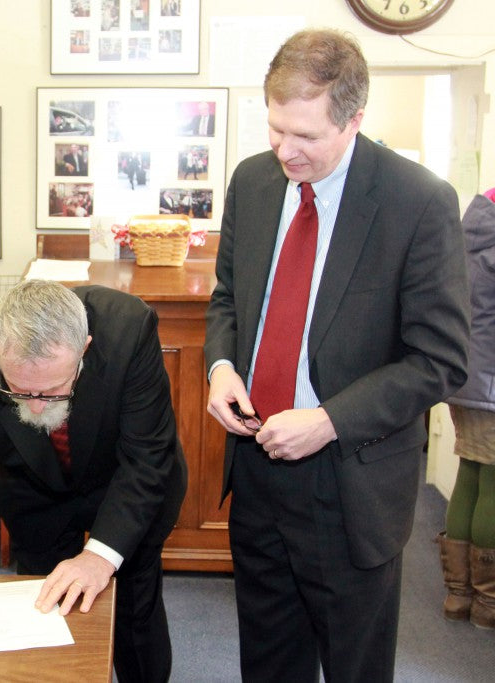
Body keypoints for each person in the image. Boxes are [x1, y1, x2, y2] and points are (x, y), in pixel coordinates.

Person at [204, 29, 469, 680]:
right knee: (268, 660)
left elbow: (439, 359)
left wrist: (327, 419)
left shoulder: (419, 202)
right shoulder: (254, 181)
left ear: (354, 120)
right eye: (275, 129)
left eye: (306, 137)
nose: (284, 151)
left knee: (354, 666)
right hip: (258, 467)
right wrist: (220, 366)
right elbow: (229, 298)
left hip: (351, 481)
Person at [0, 279, 187, 683]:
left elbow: (146, 459)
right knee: (41, 613)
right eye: (19, 390)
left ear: (84, 348)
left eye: (52, 391)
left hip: (125, 487)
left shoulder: (129, 330)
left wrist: (99, 557)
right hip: (36, 492)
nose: (34, 406)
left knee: (133, 604)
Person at [439, 187, 495, 631]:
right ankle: (486, 601)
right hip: (491, 384)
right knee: (492, 486)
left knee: (470, 478)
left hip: (464, 376)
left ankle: (459, 595)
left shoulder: (471, 227)